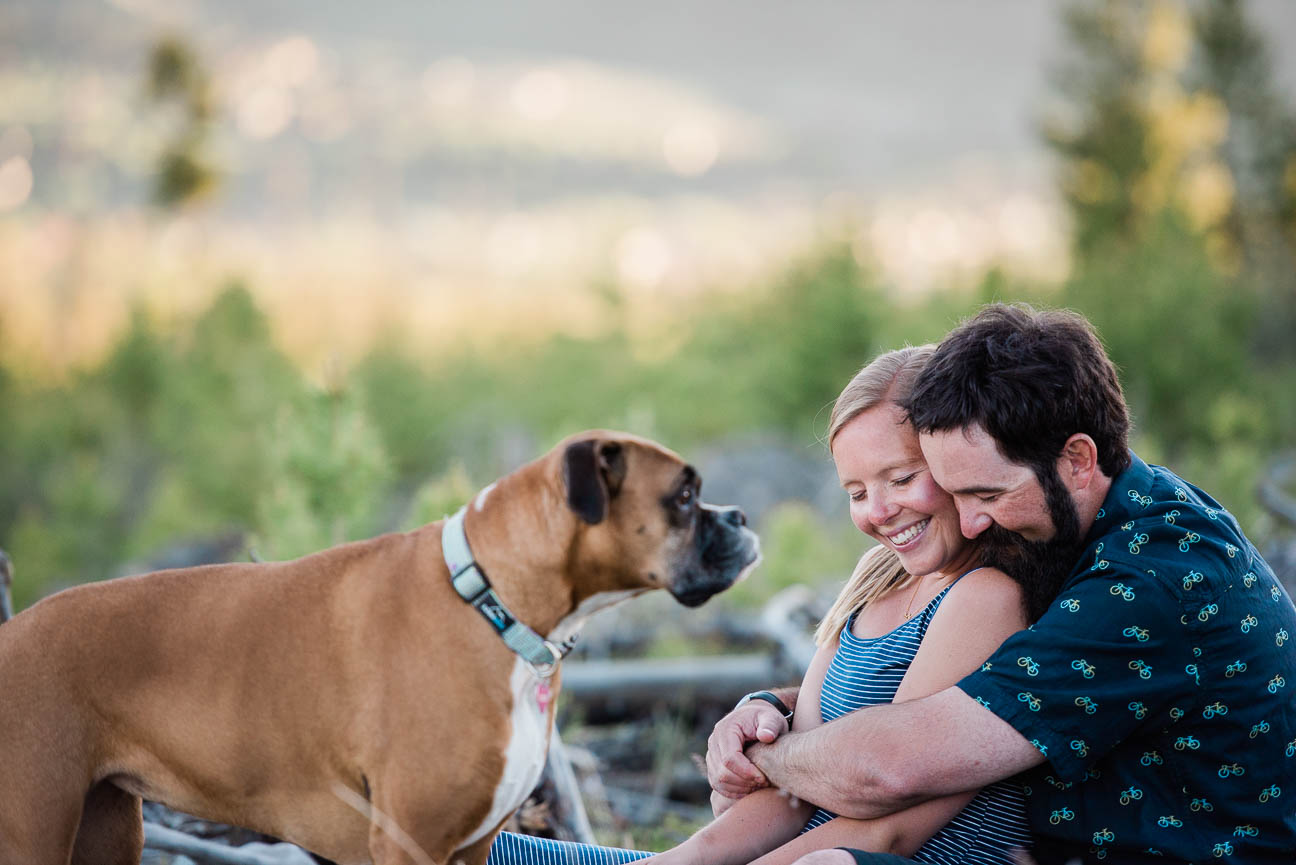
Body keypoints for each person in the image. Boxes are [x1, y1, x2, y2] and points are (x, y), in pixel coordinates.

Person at [708, 304, 1296, 865]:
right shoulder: (1103, 518)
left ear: (1077, 459)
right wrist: (772, 707)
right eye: (956, 492)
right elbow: (965, 689)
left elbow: (894, 767)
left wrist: (767, 754)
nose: (969, 523)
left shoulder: (1146, 583)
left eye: (988, 495)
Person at [488, 345, 1033, 865]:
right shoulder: (878, 577)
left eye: (902, 478)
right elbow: (791, 794)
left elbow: (888, 830)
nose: (879, 510)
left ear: (952, 460)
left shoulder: (984, 598)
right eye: (856, 492)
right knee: (478, 855)